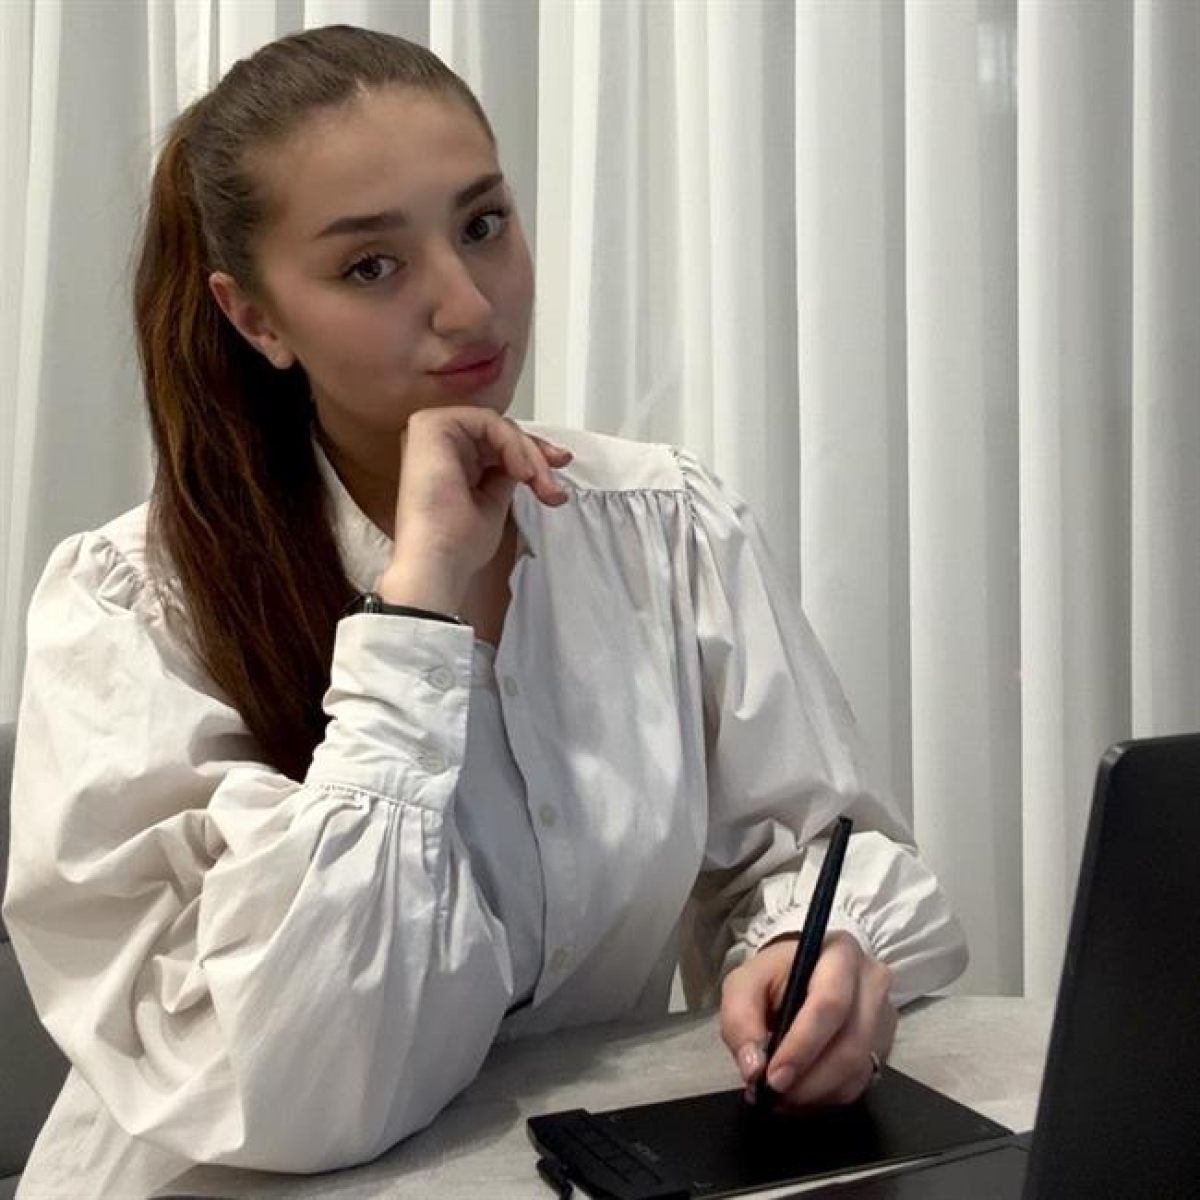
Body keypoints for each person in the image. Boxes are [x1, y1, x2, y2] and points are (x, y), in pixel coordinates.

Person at [2, 25, 967, 1198]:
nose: (469, 306)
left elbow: (812, 846)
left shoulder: (659, 523)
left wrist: (813, 956)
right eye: (372, 267)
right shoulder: (133, 608)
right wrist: (417, 607)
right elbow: (299, 1084)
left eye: (483, 225)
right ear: (256, 319)